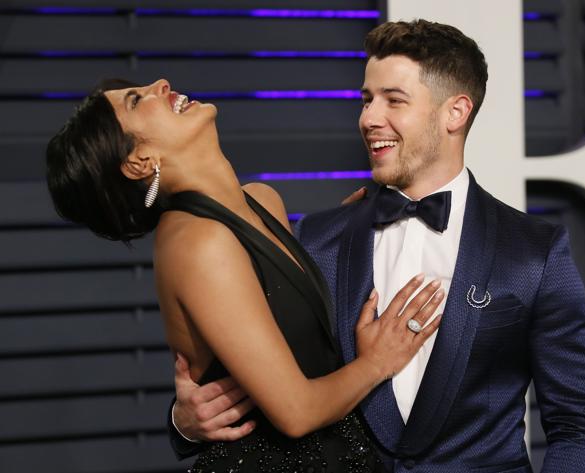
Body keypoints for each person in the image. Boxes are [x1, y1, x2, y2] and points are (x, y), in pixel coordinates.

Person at [170, 20, 585, 472]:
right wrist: (184, 422)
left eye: (393, 100)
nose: (368, 118)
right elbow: (270, 386)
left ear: (455, 113)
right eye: (366, 99)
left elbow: (577, 425)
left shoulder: (535, 251)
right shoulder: (318, 240)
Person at [45, 77, 447, 472]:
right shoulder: (196, 243)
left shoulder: (262, 200)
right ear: (139, 162)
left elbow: (300, 329)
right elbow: (296, 411)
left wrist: (348, 232)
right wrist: (378, 362)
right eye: (137, 100)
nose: (161, 84)